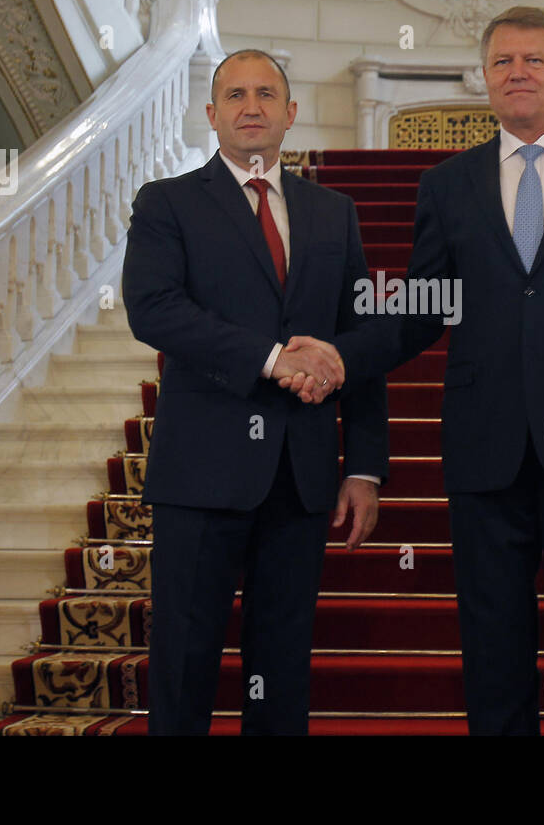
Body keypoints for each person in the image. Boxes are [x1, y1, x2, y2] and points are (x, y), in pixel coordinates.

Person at [285, 6, 544, 735]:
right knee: (493, 649)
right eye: (504, 62)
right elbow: (423, 310)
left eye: (534, 60)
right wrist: (344, 355)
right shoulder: (447, 184)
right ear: (486, 80)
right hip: (485, 447)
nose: (519, 73)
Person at [121, 49, 388, 735]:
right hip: (200, 474)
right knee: (183, 663)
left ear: (290, 113)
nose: (251, 106)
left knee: (282, 666)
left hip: (300, 478)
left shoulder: (334, 213)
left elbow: (359, 343)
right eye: (234, 95)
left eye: (266, 94)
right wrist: (272, 359)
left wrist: (363, 467)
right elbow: (154, 310)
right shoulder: (168, 203)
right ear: (210, 115)